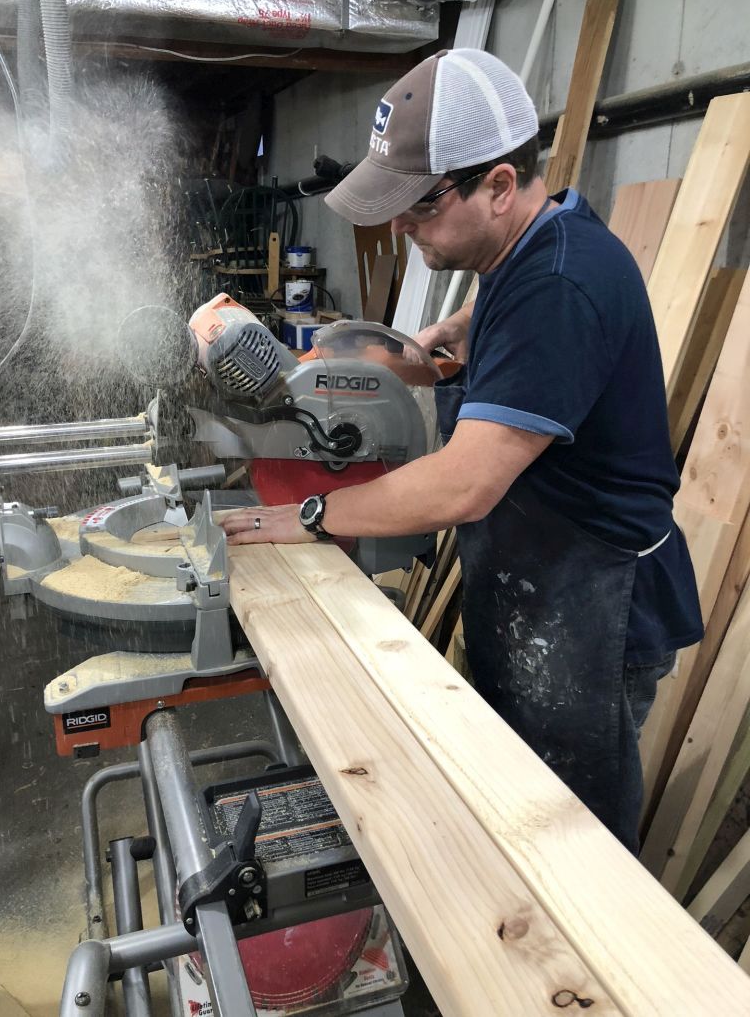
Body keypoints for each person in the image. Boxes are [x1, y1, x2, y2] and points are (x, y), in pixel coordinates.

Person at [222, 48, 704, 853]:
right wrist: (464, 328)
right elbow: (516, 293)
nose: (403, 228)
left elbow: (465, 486)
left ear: (500, 185)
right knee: (512, 800)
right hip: (541, 582)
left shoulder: (560, 284)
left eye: (420, 207)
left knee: (570, 838)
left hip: (591, 605)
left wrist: (311, 512)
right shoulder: (538, 240)